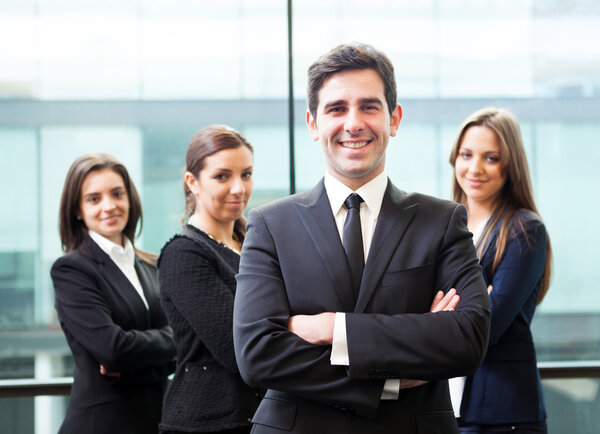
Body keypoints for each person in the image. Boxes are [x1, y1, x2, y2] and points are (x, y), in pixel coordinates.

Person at [232, 43, 491, 434]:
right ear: (313, 124)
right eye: (337, 108)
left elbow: (467, 338)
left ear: (394, 119)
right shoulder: (271, 224)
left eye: (369, 107)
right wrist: (389, 379)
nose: (353, 123)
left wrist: (332, 329)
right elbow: (258, 355)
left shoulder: (441, 220)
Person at [51, 153, 176, 434]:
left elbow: (180, 345)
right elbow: (113, 349)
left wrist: (138, 359)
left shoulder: (151, 264)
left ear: (129, 198)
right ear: (77, 210)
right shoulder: (72, 269)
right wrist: (170, 343)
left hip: (156, 421)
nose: (109, 206)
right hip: (102, 425)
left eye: (117, 194)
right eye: (94, 199)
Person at [449, 108, 552, 433]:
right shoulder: (446, 225)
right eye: (467, 154)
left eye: (491, 158)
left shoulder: (524, 231)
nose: (474, 168)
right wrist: (472, 302)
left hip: (502, 417)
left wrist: (448, 308)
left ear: (509, 166)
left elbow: (486, 329)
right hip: (449, 407)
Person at [158, 125, 261, 434]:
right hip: (208, 422)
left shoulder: (255, 244)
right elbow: (238, 348)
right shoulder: (183, 254)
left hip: (256, 415)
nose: (239, 188)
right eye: (222, 176)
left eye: (246, 174)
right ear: (192, 182)